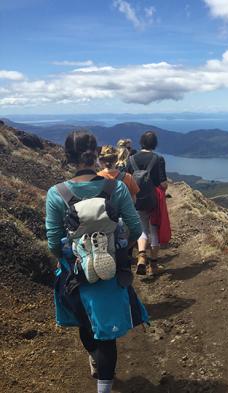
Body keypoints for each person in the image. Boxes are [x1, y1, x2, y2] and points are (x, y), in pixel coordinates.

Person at [46, 131, 149, 393]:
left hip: (76, 275)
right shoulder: (116, 188)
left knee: (86, 325)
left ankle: (92, 358)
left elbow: (53, 242)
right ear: (96, 157)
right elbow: (136, 230)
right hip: (111, 272)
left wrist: (67, 257)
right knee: (108, 338)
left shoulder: (56, 194)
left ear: (68, 157)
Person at [126, 131, 167, 276]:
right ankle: (153, 265)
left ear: (141, 142)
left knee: (142, 229)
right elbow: (163, 184)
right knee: (153, 230)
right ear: (154, 143)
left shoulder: (131, 159)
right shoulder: (158, 159)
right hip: (153, 201)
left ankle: (141, 256)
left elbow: (127, 180)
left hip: (136, 200)